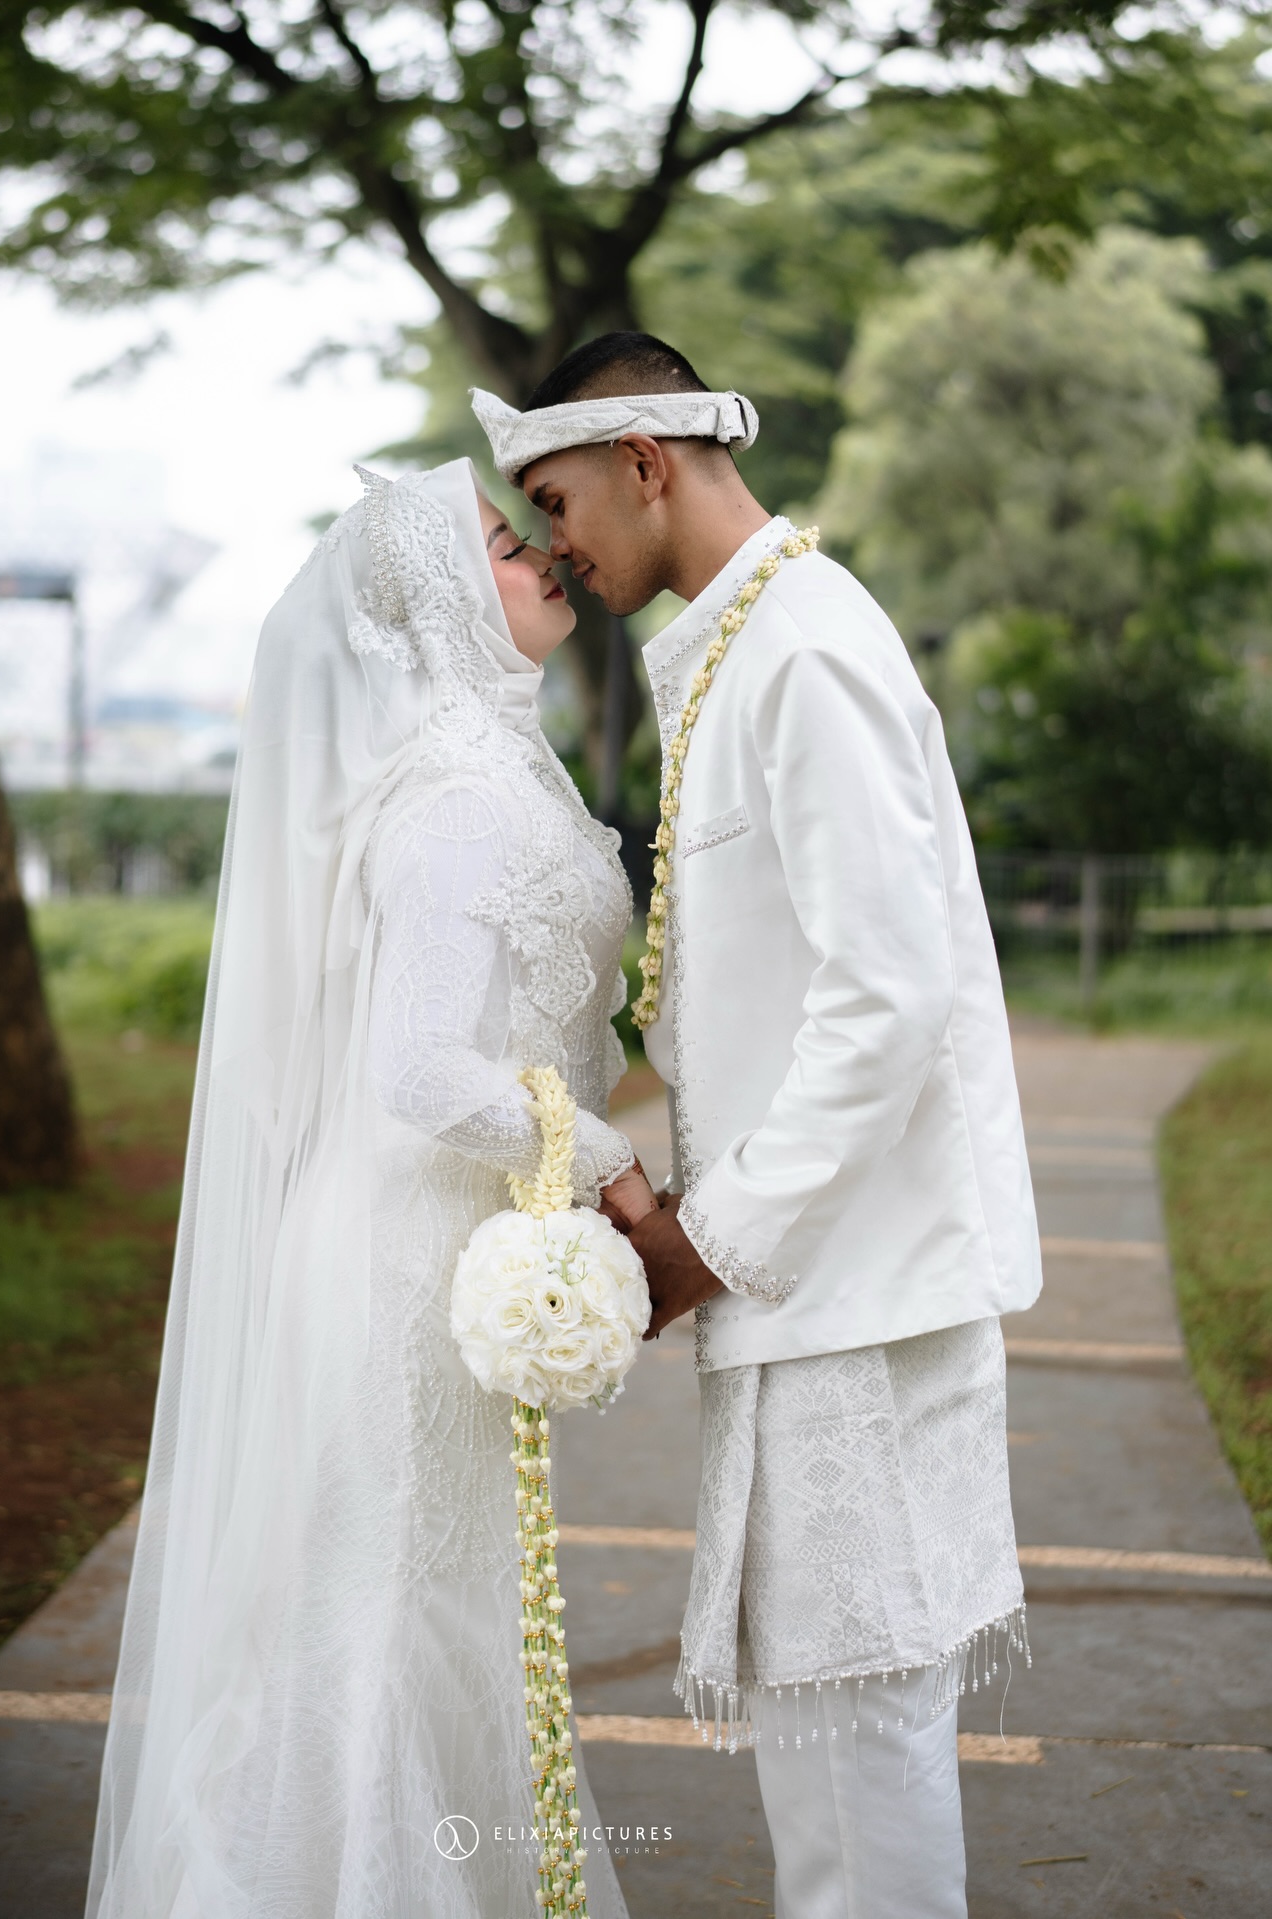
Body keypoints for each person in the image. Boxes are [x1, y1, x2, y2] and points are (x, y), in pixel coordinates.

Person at [475, 335, 1043, 1919]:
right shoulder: (743, 644)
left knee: (858, 1780)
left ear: (645, 459)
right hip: (822, 1304)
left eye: (557, 497)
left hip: (848, 1304)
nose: (557, 545)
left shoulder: (802, 646)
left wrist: (702, 1246)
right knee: (836, 1771)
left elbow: (890, 993)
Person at [85, 457, 656, 1919]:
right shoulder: (453, 802)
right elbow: (414, 1068)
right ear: (438, 607)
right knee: (380, 1623)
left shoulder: (503, 768)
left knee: (433, 1615)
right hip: (403, 1259)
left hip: (453, 1248)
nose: (533, 546)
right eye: (495, 536)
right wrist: (604, 1168)